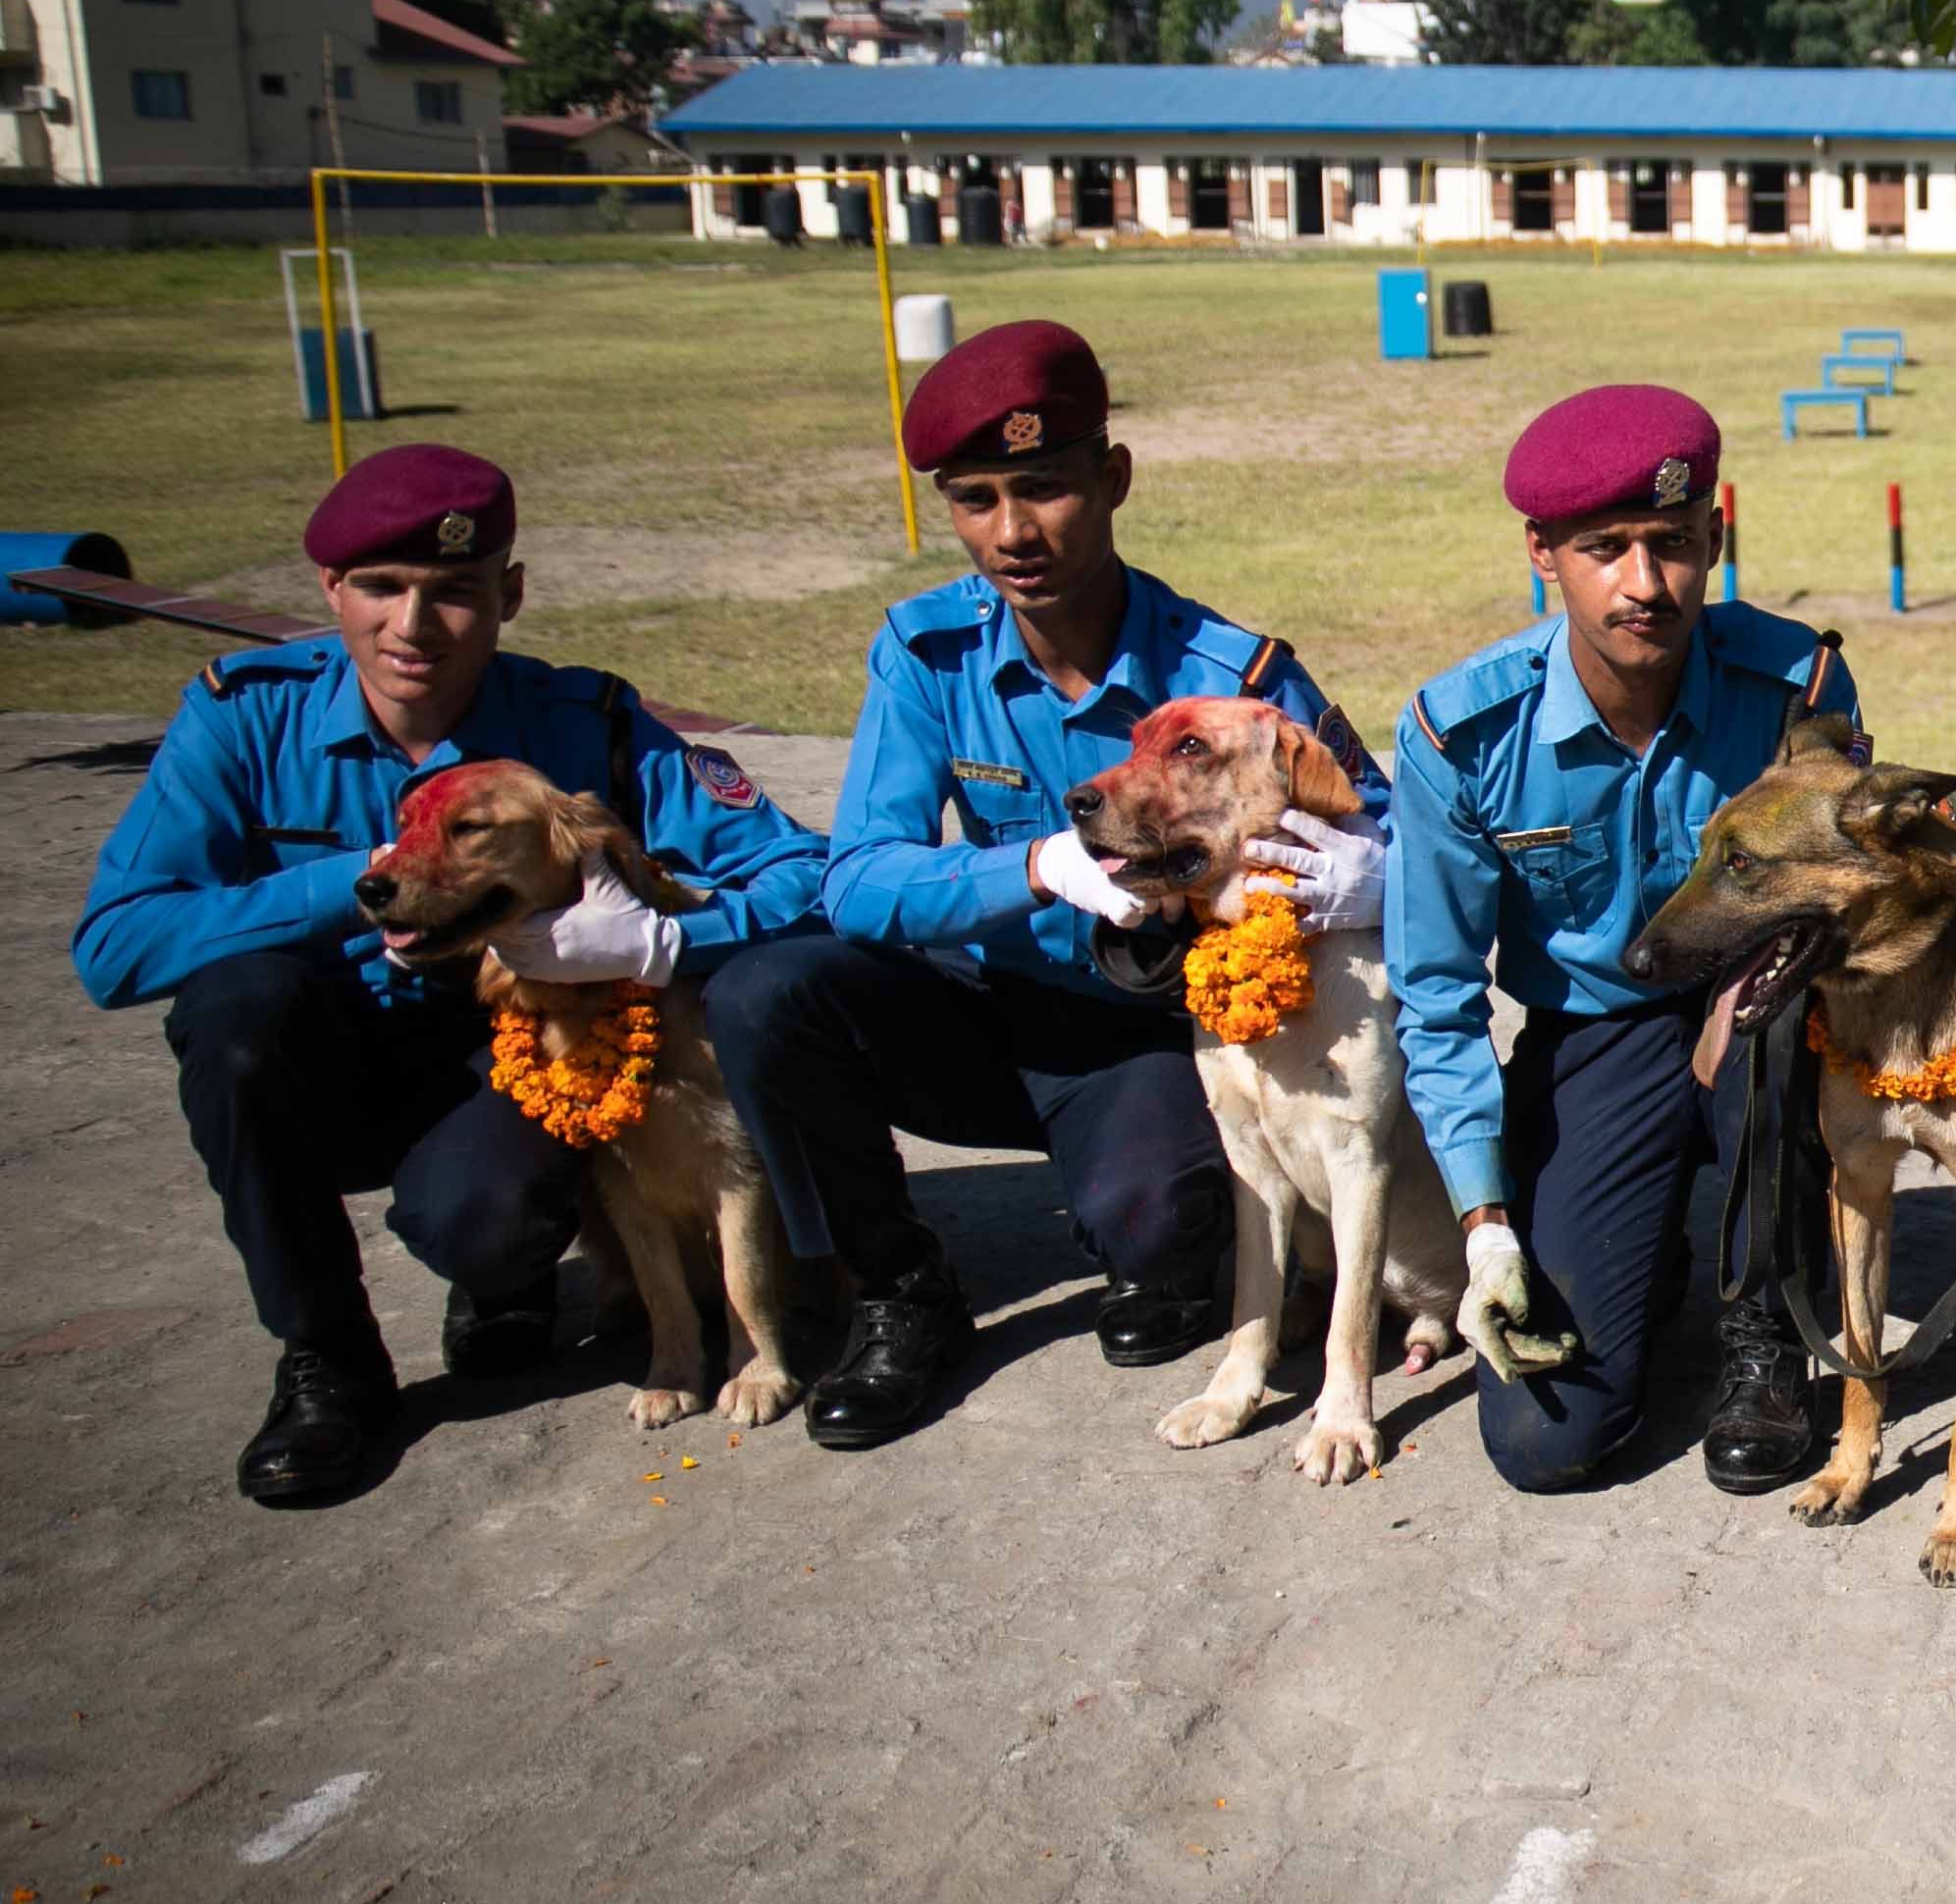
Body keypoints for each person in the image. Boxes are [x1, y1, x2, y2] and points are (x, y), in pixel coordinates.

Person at [75, 445, 828, 1506]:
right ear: (331, 589)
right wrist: (370, 881)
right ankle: (327, 1361)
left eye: (456, 594)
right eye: (380, 589)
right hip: (329, 1053)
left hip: (522, 1058)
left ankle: (507, 1277)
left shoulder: (582, 729)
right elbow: (114, 947)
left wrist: (663, 938)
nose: (414, 628)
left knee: (478, 1217)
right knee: (234, 1011)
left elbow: (802, 871)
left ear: (509, 593)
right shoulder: (245, 716)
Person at [707, 322, 1383, 1452]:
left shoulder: (1233, 676)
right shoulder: (927, 654)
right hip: (976, 1011)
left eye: (1043, 488)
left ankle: (1171, 1249)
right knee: (767, 994)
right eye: (974, 499)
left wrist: (1367, 874)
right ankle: (897, 1290)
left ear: (1111, 479)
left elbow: (1370, 817)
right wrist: (1029, 866)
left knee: (1157, 1228)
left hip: (1143, 1031)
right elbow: (858, 878)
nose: (1012, 533)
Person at [1384, 385, 1856, 1495]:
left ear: (1715, 539)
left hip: (1764, 1006)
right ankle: (1641, 1251)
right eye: (1606, 548)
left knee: (1769, 1046)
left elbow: (1836, 890)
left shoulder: (1798, 688)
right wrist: (1485, 1221)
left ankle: (1766, 1333)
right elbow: (1438, 993)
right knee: (1548, 1446)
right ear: (1542, 554)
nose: (1646, 584)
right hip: (1594, 1035)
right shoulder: (1464, 734)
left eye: (1674, 545)